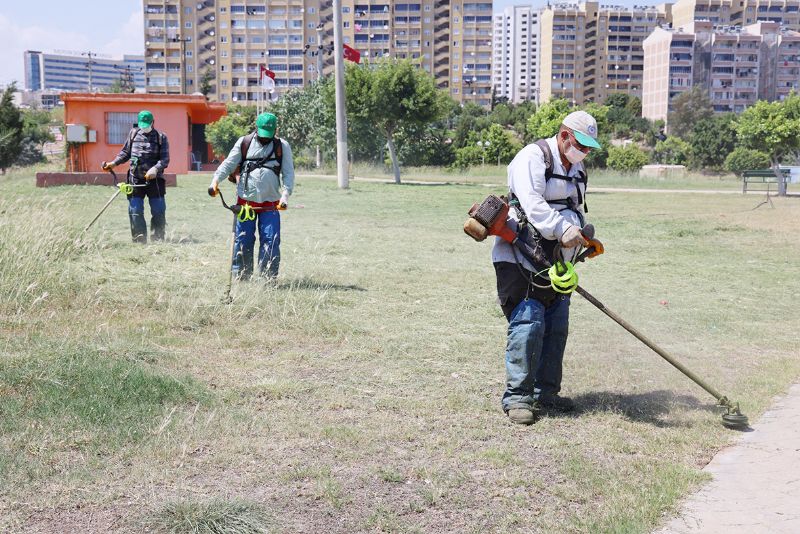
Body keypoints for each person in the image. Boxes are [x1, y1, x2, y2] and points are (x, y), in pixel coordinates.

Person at [492, 110, 600, 425]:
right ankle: (518, 399)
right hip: (521, 254)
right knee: (529, 325)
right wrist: (562, 229)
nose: (585, 151)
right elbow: (532, 205)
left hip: (559, 262)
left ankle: (546, 395)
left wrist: (581, 235)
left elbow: (575, 207)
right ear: (564, 135)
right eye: (581, 143)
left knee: (556, 327)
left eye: (590, 146)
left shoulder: (578, 168)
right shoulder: (533, 157)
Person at [209, 112, 294, 280]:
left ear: (275, 130)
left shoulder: (282, 146)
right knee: (243, 240)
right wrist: (215, 181)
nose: (265, 138)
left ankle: (268, 278)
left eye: (268, 135)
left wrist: (285, 196)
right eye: (262, 134)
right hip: (245, 203)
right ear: (256, 128)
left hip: (270, 204)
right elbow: (228, 164)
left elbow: (288, 173)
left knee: (271, 241)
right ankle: (241, 276)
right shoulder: (244, 142)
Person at [102, 110, 170, 243]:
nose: (143, 127)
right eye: (141, 124)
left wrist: (155, 169)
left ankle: (158, 239)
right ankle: (139, 240)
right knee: (135, 210)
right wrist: (113, 163)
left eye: (146, 124)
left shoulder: (161, 137)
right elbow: (125, 153)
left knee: (158, 211)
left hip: (154, 180)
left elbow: (165, 159)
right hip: (135, 179)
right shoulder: (133, 133)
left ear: (152, 122)